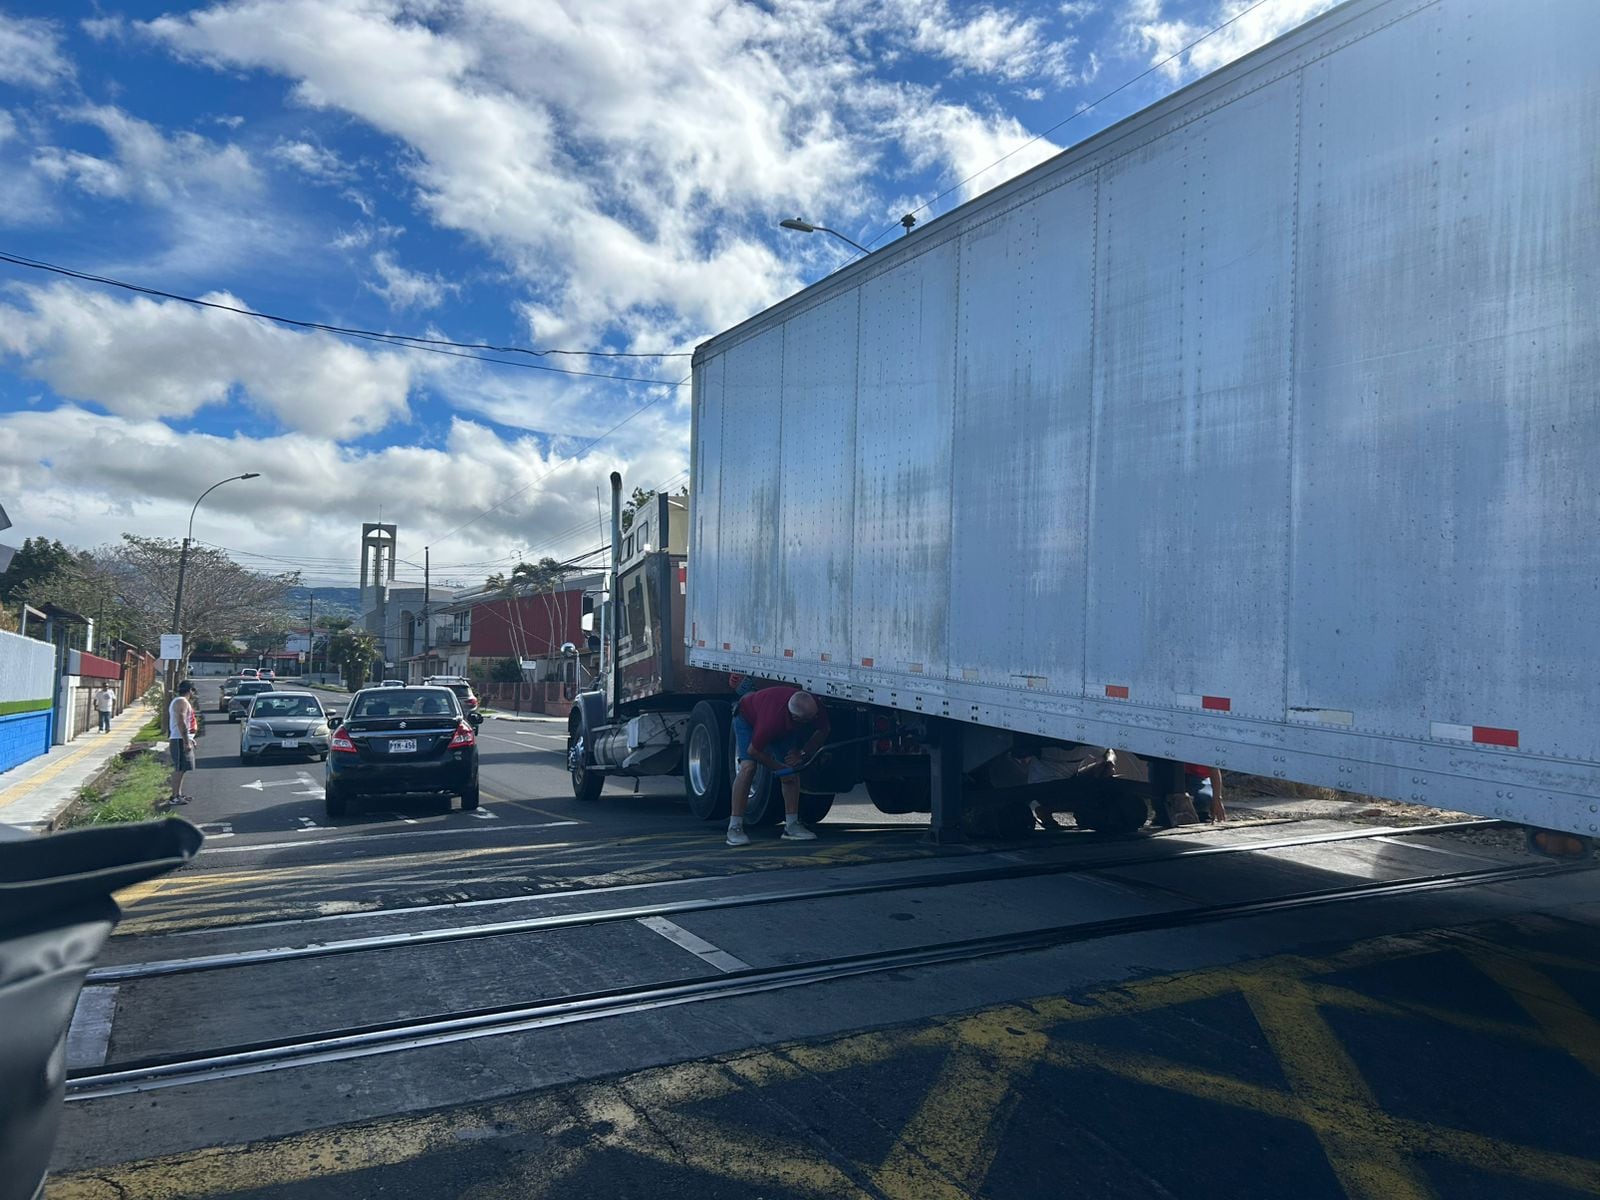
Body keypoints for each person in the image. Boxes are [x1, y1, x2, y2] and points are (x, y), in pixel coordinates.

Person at [726, 685, 830, 846]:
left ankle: (792, 825)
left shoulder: (814, 706)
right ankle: (734, 827)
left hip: (781, 725)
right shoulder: (770, 722)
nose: (815, 719)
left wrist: (802, 753)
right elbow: (753, 751)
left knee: (792, 769)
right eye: (809, 720)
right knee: (748, 768)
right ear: (797, 719)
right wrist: (778, 768)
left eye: (815, 716)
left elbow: (823, 730)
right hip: (746, 716)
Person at [166, 680, 197, 807]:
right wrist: (185, 741)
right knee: (179, 768)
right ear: (190, 690)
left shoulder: (182, 701)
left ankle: (178, 794)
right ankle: (174, 797)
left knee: (183, 768)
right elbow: (181, 721)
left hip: (182, 739)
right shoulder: (181, 702)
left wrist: (190, 738)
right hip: (179, 740)